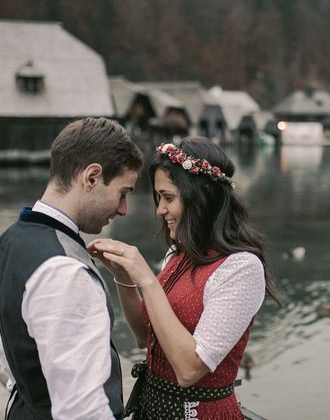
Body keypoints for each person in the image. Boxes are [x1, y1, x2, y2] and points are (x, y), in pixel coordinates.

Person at [89, 137, 278, 419]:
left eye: (168, 197)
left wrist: (146, 279)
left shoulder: (241, 268)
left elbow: (189, 369)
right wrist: (124, 279)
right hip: (152, 408)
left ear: (201, 196)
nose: (159, 210)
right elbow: (145, 336)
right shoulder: (177, 253)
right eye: (158, 198)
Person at [0, 117, 144, 419]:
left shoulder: (10, 239)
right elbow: (83, 410)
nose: (124, 209)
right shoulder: (67, 273)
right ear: (91, 177)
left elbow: (8, 354)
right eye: (123, 193)